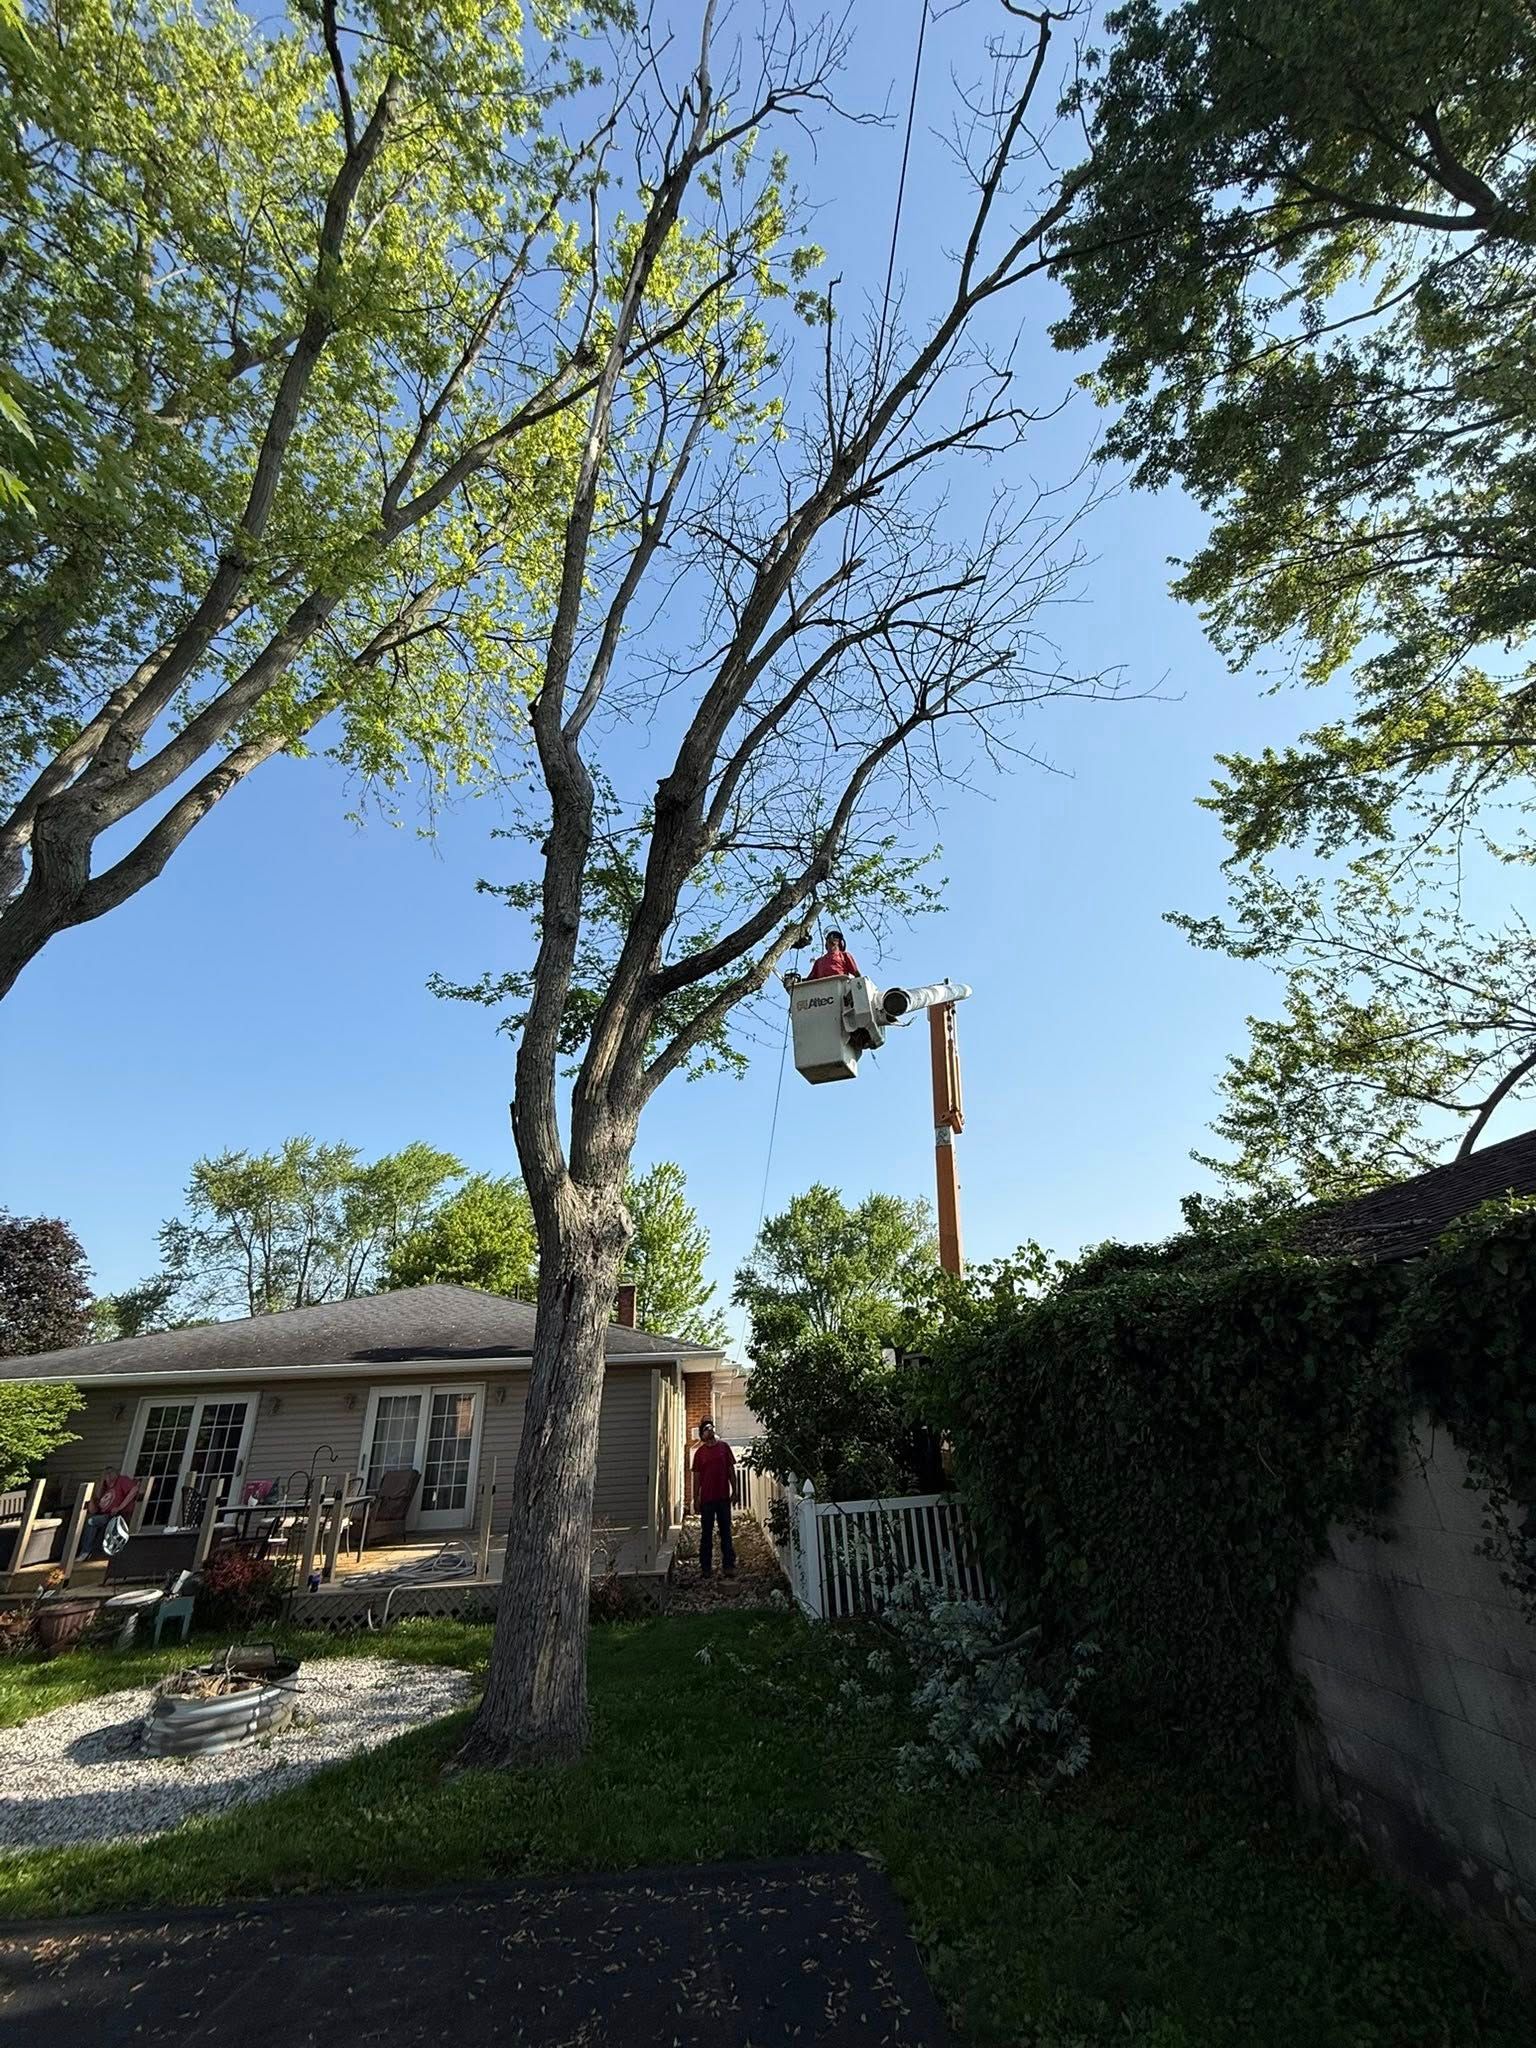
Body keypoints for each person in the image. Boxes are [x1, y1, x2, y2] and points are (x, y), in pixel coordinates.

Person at [692, 1419, 737, 1578]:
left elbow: (731, 1470)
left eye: (711, 1428)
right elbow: (697, 1478)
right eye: (706, 1429)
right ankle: (706, 1567)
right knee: (706, 1534)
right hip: (707, 1500)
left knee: (725, 1532)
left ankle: (729, 1565)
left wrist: (735, 1490)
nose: (710, 1430)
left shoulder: (724, 1448)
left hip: (723, 1498)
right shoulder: (699, 1454)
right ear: (702, 1434)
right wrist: (695, 1498)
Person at [77, 1467, 139, 1559]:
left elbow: (134, 1490)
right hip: (104, 1515)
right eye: (106, 1475)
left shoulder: (121, 1480)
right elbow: (93, 1510)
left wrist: (119, 1507)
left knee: (91, 1521)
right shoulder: (104, 1488)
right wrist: (92, 1495)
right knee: (89, 1520)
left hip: (117, 1516)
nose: (107, 1477)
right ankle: (87, 1552)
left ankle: (86, 1551)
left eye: (109, 1474)